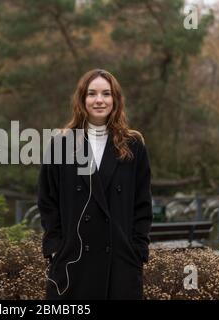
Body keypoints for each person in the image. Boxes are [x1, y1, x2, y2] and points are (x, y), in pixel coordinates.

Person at [37, 69, 153, 300]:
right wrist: (55, 248)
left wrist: (138, 250)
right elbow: (47, 201)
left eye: (106, 93)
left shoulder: (134, 145)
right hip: (73, 260)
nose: (99, 100)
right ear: (82, 100)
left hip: (120, 262)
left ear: (115, 100)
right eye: (92, 93)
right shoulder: (62, 144)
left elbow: (143, 204)